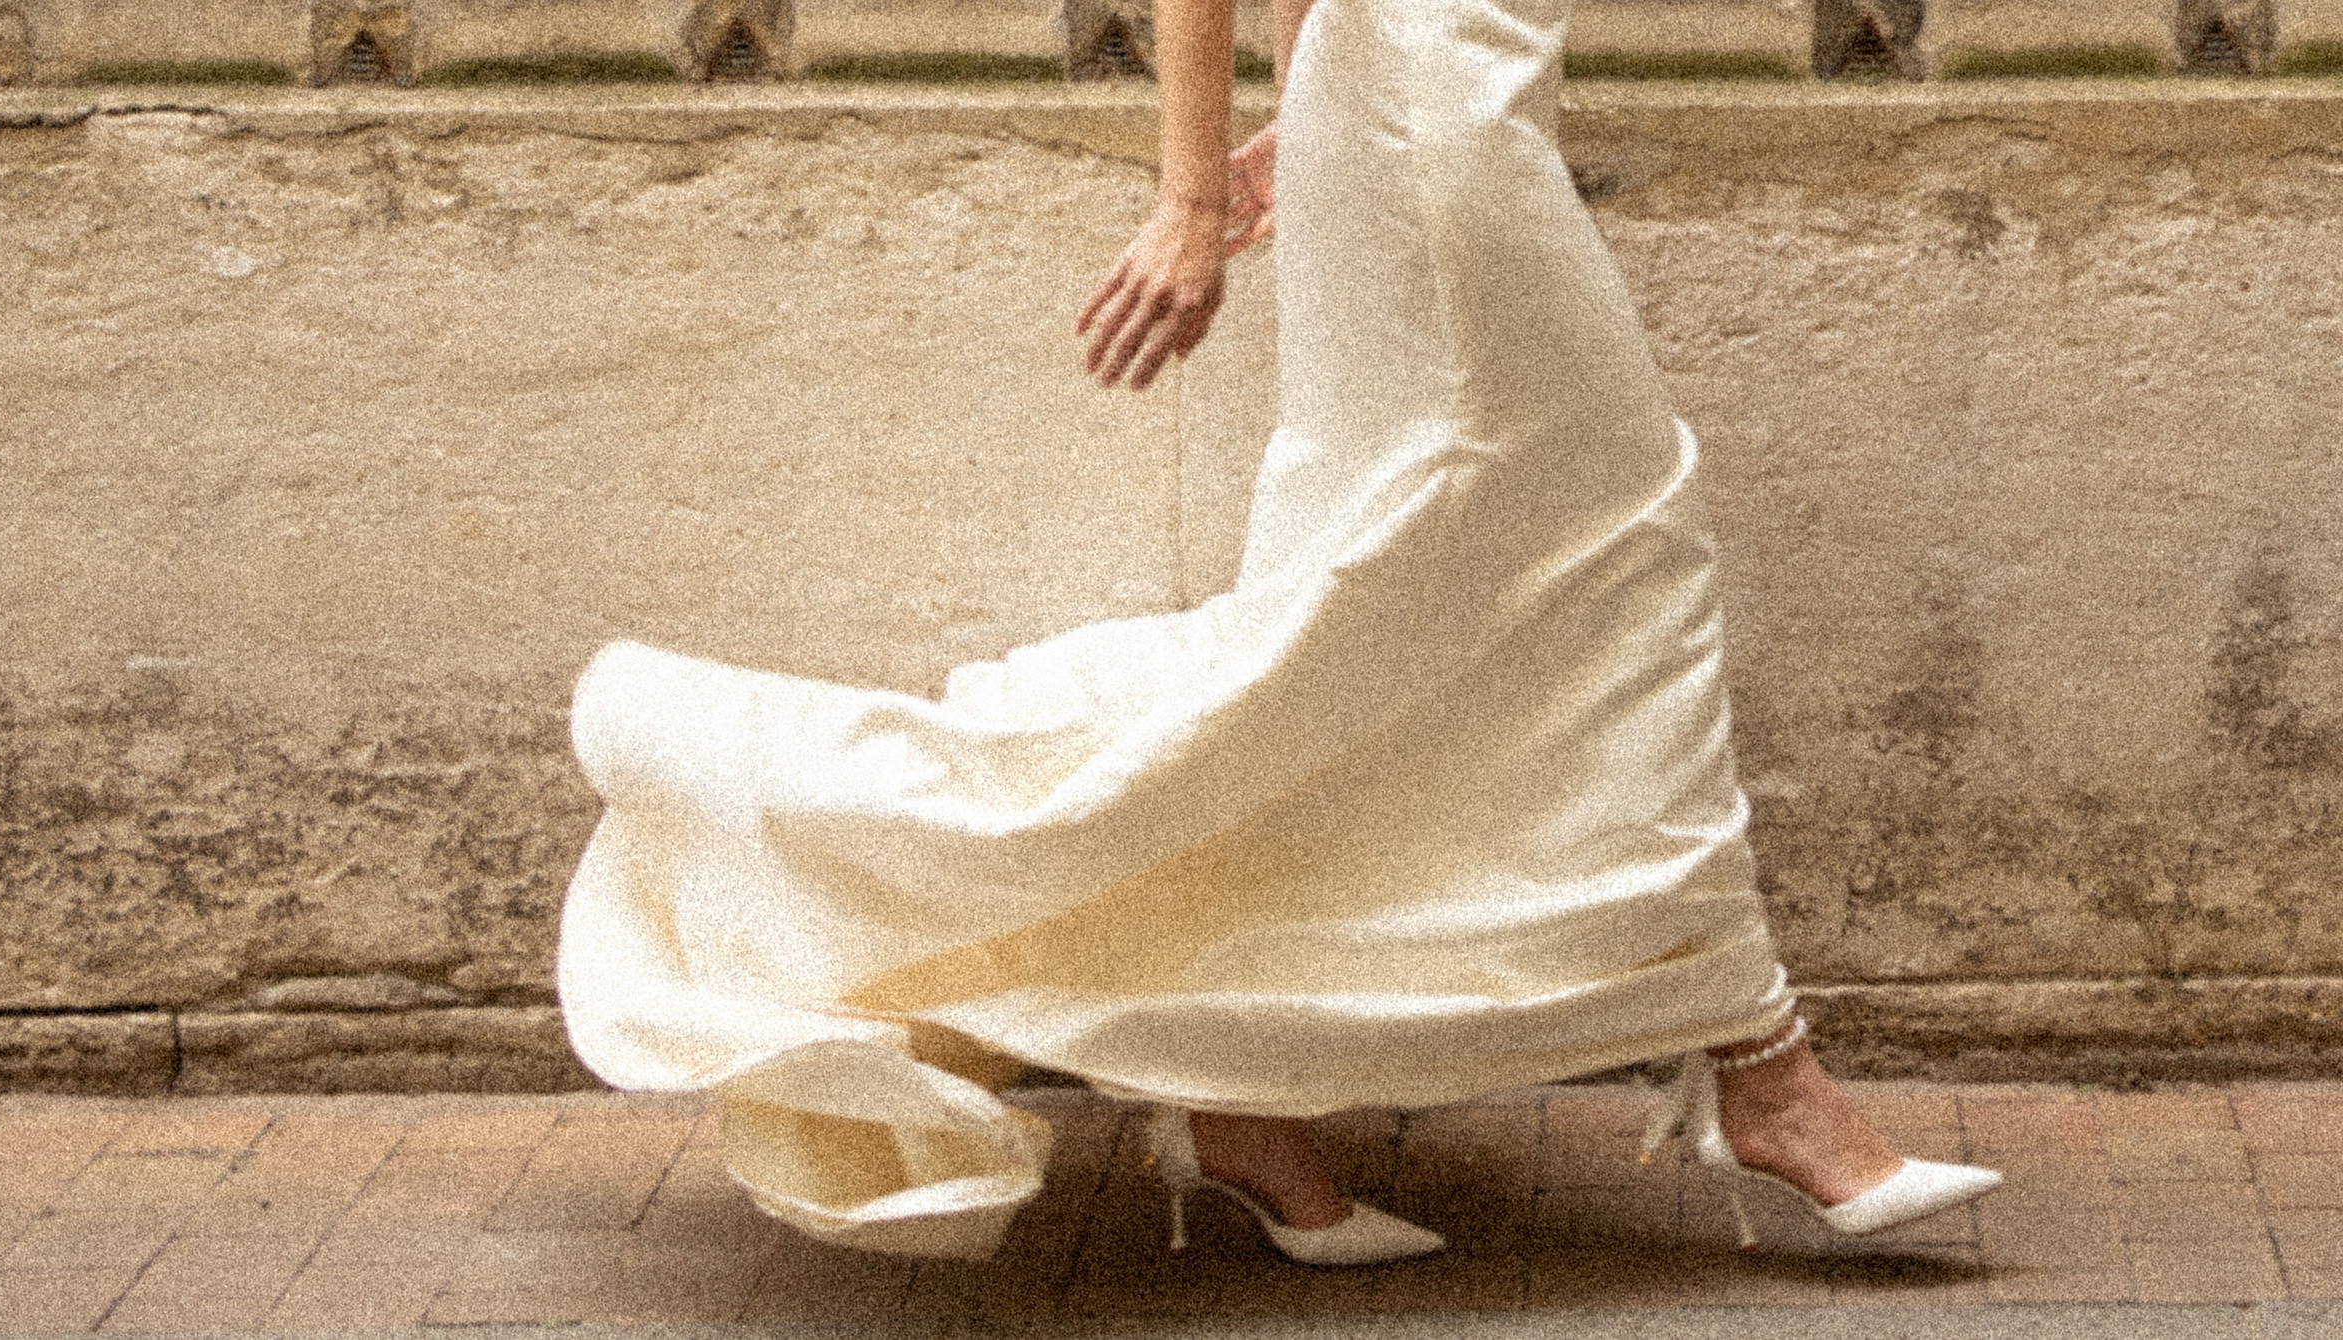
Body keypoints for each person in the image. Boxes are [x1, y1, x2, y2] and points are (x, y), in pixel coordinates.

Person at [556, 0, 2001, 1264]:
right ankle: (1768, 1073)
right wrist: (1193, 201)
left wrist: (1311, 107)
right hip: (1440, 141)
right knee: (1621, 553)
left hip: (1431, 118)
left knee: (1366, 620)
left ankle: (1241, 1091)